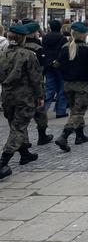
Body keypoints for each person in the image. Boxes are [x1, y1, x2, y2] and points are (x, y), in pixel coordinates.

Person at [0, 24, 44, 180]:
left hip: (7, 95)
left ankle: (25, 153)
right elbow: (36, 78)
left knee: (15, 124)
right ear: (23, 38)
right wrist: (40, 96)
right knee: (18, 128)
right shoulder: (28, 55)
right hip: (24, 97)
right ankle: (3, 161)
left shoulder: (2, 54)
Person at [53, 22, 88, 152]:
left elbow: (56, 65)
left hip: (68, 84)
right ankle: (64, 135)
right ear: (83, 34)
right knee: (78, 112)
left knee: (75, 109)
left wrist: (67, 72)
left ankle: (80, 135)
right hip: (83, 85)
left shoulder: (65, 47)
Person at [22, 22, 53, 145]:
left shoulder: (19, 46)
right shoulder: (37, 47)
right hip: (35, 82)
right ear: (35, 32)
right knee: (40, 112)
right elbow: (43, 65)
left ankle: (24, 141)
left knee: (22, 115)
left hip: (20, 84)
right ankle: (42, 136)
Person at [42, 20, 69, 119]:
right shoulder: (63, 38)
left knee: (49, 89)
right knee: (62, 89)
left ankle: (42, 111)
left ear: (50, 27)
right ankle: (60, 111)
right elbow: (65, 52)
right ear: (60, 27)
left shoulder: (45, 38)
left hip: (48, 65)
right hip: (60, 65)